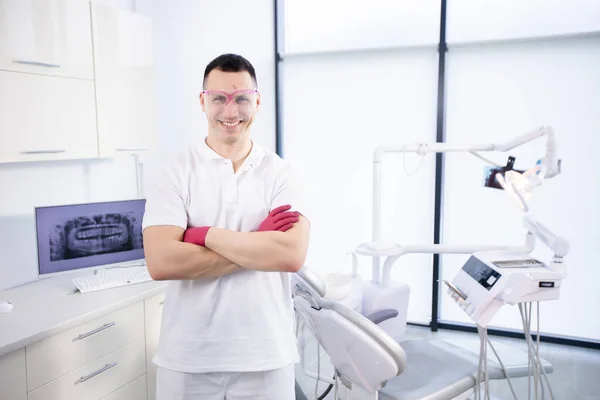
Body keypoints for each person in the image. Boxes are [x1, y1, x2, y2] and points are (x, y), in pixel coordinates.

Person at [142, 53, 311, 400]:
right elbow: (161, 262)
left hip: (266, 357)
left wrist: (203, 235)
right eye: (218, 98)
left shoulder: (282, 174)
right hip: (187, 360)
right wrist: (257, 242)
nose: (230, 112)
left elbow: (291, 255)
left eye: (241, 99)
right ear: (202, 101)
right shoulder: (172, 171)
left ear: (257, 101)